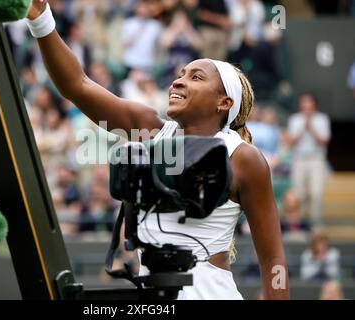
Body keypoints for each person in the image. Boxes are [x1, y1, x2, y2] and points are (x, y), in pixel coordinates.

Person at [24, 0, 289, 300]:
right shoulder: (147, 128)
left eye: (196, 77)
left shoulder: (243, 158)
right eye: (181, 74)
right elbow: (77, 85)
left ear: (224, 103)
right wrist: (41, 17)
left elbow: (273, 260)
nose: (179, 81)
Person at [286, 93, 331, 225]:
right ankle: (302, 224)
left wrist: (311, 127)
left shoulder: (322, 119)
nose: (306, 105)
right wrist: (303, 127)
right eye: (303, 102)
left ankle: (316, 224)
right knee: (299, 194)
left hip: (316, 158)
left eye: (308, 102)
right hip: (299, 159)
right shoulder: (294, 119)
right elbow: (291, 141)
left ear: (314, 104)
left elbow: (324, 141)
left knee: (317, 193)